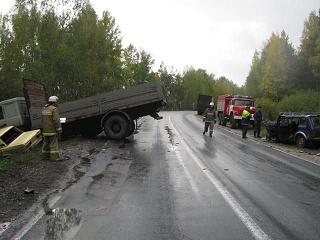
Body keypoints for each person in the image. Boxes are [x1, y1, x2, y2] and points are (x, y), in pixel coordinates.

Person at [41, 96, 62, 161]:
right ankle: (54, 158)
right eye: (57, 102)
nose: (57, 103)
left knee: (46, 144)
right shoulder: (54, 109)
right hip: (52, 130)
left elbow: (42, 120)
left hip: (45, 130)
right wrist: (59, 130)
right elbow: (56, 120)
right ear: (54, 102)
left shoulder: (44, 109)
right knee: (53, 145)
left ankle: (45, 157)